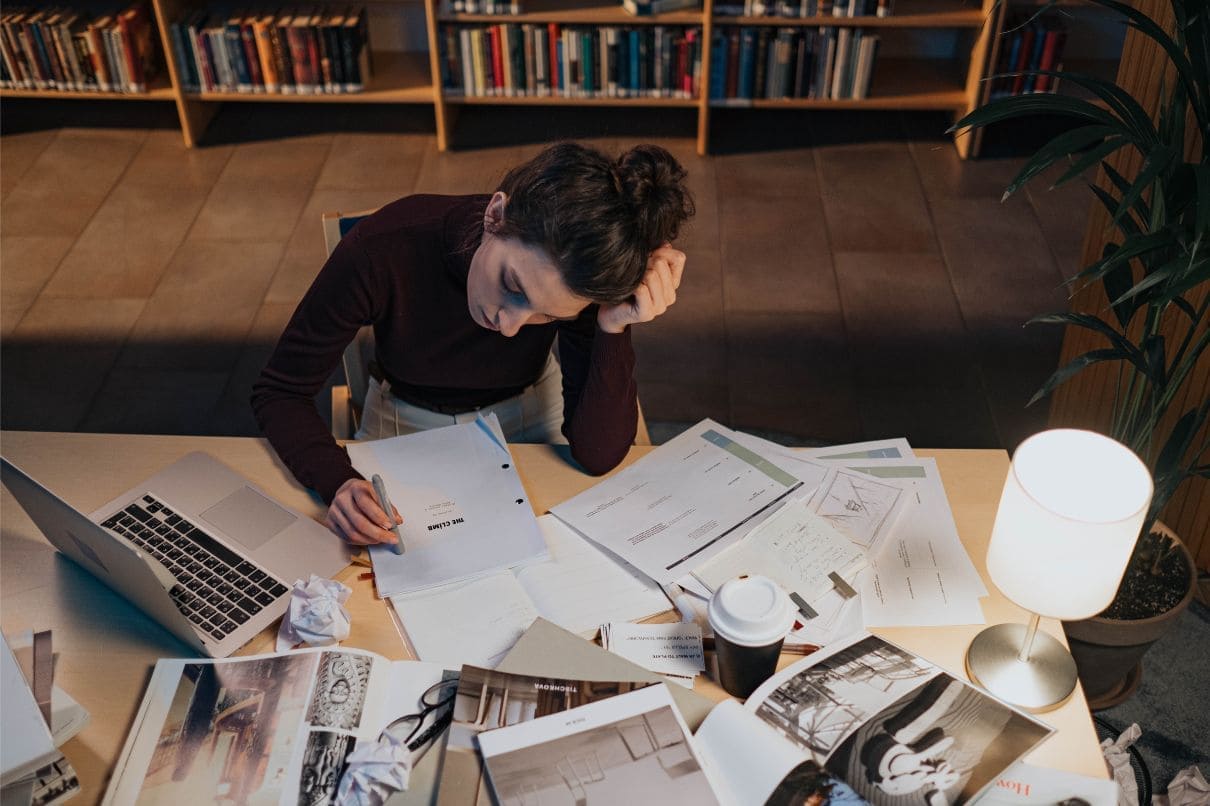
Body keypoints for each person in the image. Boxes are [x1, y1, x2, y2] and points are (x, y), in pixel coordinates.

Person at [252, 142, 694, 548]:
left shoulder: (576, 284)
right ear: (495, 216)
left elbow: (597, 456)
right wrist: (338, 482)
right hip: (405, 420)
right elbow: (280, 391)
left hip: (530, 413)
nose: (508, 326)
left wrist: (613, 326)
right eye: (513, 285)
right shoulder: (385, 247)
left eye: (548, 316)